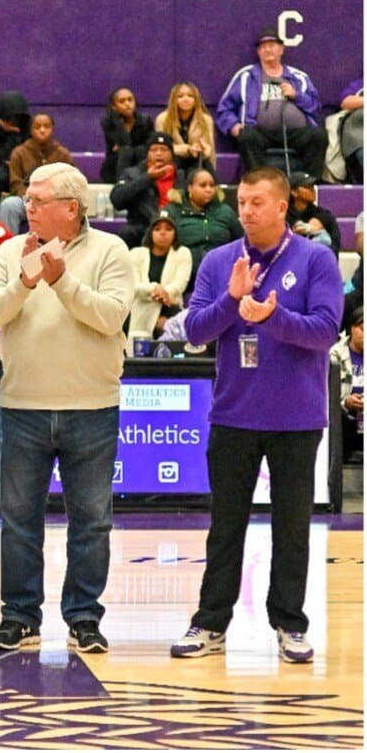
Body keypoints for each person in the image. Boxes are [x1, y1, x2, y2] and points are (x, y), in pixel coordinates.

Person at [171, 166, 343, 664]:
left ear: (283, 206)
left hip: (296, 418)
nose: (245, 211)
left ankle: (290, 625)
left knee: (292, 527)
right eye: (242, 201)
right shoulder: (220, 260)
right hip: (233, 415)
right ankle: (210, 624)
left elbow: (326, 330)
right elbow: (195, 331)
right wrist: (232, 299)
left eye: (257, 202)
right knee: (225, 525)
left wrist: (273, 317)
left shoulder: (315, 260)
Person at [0, 162, 133, 654]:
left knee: (91, 520)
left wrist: (61, 281)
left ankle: (84, 616)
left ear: (72, 206)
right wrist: (23, 282)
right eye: (28, 199)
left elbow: (110, 318)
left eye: (39, 200)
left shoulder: (112, 250)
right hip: (22, 405)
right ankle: (20, 616)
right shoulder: (7, 252)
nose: (29, 206)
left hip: (92, 406)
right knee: (19, 520)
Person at [217, 27, 328, 181]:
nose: (268, 49)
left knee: (318, 136)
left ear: (281, 49)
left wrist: (297, 95)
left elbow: (316, 108)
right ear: (258, 52)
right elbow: (224, 110)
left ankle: (308, 184)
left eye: (272, 45)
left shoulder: (299, 77)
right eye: (263, 46)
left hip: (296, 132)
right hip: (260, 132)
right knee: (246, 136)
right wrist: (233, 126)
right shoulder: (246, 76)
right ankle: (259, 182)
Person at [0, 113, 74, 235]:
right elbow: (16, 183)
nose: (42, 130)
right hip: (28, 200)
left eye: (46, 126)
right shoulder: (19, 153)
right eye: (37, 127)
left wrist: (52, 198)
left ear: (53, 129)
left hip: (54, 201)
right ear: (31, 130)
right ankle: (9, 250)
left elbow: (72, 182)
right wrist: (33, 198)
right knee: (9, 205)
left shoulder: (63, 154)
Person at [127, 213, 192, 350]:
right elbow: (133, 286)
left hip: (170, 308)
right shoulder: (135, 254)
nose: (163, 233)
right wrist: (154, 289)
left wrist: (163, 293)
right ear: (150, 232)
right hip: (141, 310)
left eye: (168, 229)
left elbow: (179, 285)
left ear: (175, 233)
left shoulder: (183, 253)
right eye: (157, 229)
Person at [167, 168, 242, 285]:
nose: (209, 189)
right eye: (203, 185)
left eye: (212, 185)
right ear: (190, 188)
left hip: (221, 271)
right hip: (183, 272)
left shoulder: (225, 211)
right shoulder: (173, 211)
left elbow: (240, 242)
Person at [111, 130, 180, 248]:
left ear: (172, 154)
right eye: (154, 150)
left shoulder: (182, 176)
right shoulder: (132, 174)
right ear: (147, 154)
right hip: (143, 226)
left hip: (176, 226)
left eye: (164, 149)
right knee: (126, 233)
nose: (159, 153)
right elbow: (116, 200)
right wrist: (147, 178)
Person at [155, 82, 217, 176]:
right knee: (179, 170)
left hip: (197, 159)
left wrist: (202, 149)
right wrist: (188, 149)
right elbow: (162, 148)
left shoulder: (206, 119)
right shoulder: (162, 119)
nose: (186, 99)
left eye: (190, 96)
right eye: (180, 96)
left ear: (196, 99)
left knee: (202, 167)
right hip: (174, 160)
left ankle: (214, 188)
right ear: (173, 100)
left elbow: (210, 149)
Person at [331, 306, 364, 467]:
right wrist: (346, 402)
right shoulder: (335, 354)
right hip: (345, 415)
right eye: (363, 329)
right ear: (352, 328)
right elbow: (329, 395)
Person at [99, 87, 154, 183]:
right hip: (115, 165)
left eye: (130, 100)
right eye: (122, 101)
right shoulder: (108, 122)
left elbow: (150, 146)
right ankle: (121, 184)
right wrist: (118, 121)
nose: (127, 104)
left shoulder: (145, 121)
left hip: (139, 162)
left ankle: (143, 181)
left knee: (139, 150)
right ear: (114, 106)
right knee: (126, 151)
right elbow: (125, 142)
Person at [0, 90, 32, 197]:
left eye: (18, 118)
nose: (14, 121)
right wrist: (10, 134)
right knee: (0, 174)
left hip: (24, 166)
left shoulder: (29, 130)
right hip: (2, 168)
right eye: (10, 117)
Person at [286, 173, 341, 253]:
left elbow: (335, 248)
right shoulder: (284, 216)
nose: (312, 189)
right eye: (307, 187)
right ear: (294, 192)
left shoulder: (325, 215)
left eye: (313, 186)